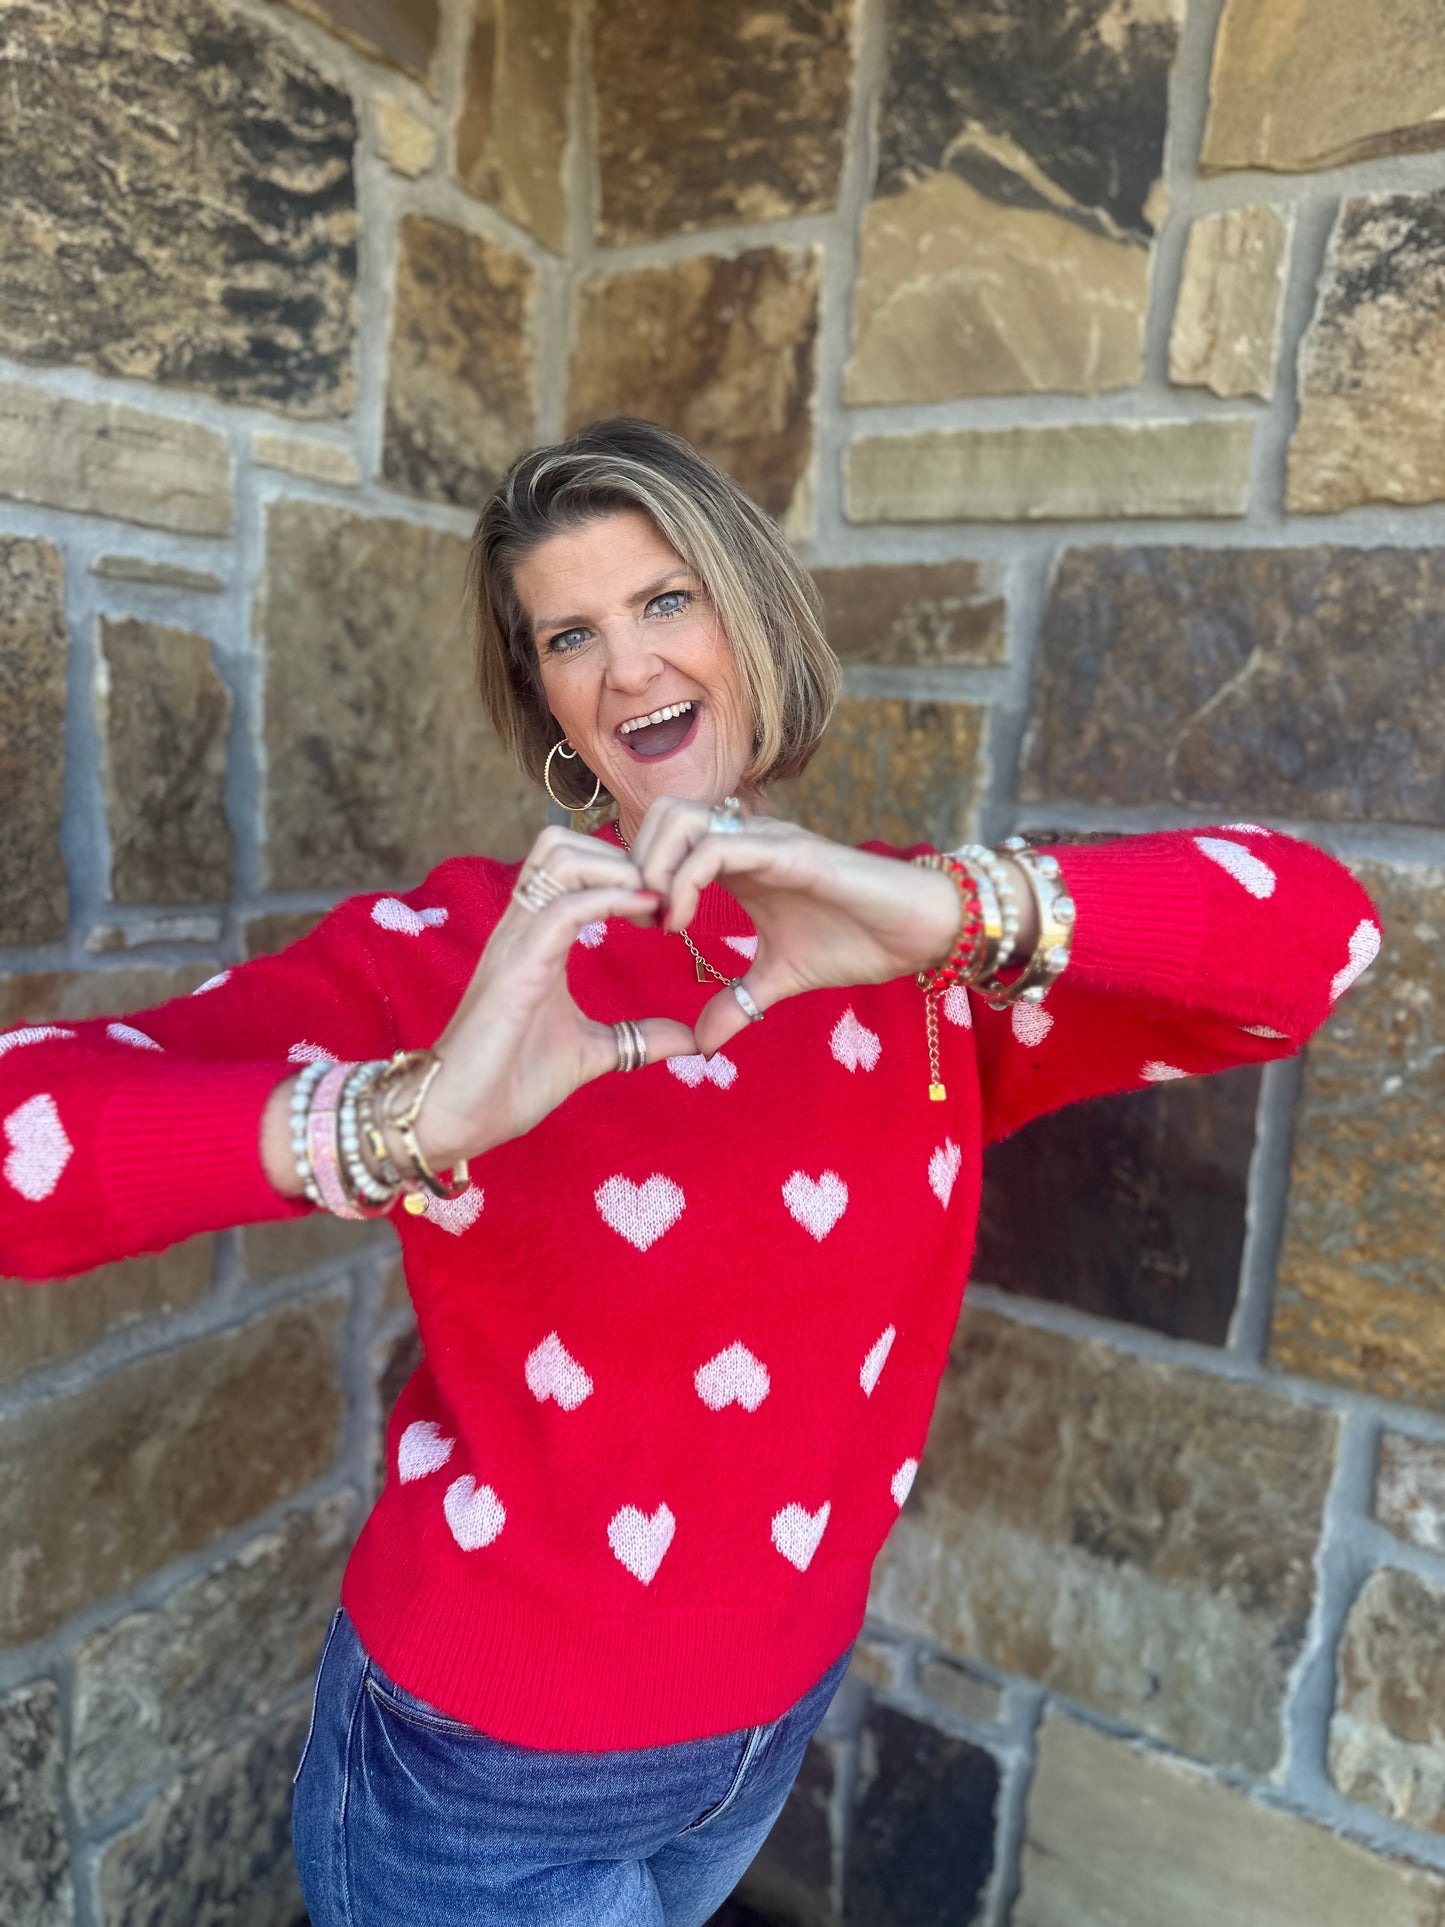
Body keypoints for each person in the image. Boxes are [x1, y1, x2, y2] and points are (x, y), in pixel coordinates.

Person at [0, 418, 1382, 1926]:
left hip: (763, 1724)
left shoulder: (905, 945)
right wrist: (403, 1119)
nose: (631, 668)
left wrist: (952, 909)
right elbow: (26, 1147)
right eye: (569, 635)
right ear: (543, 701)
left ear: (752, 617)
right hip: (481, 1774)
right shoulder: (457, 956)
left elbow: (1313, 945)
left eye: (667, 601)